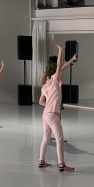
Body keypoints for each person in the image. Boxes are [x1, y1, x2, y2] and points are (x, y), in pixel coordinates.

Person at [38, 43, 74, 172]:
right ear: (55, 73)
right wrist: (60, 50)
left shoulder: (45, 86)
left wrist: (51, 104)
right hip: (53, 115)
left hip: (45, 115)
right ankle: (62, 165)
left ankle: (41, 161)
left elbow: (41, 102)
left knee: (46, 139)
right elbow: (59, 65)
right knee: (59, 139)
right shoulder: (54, 81)